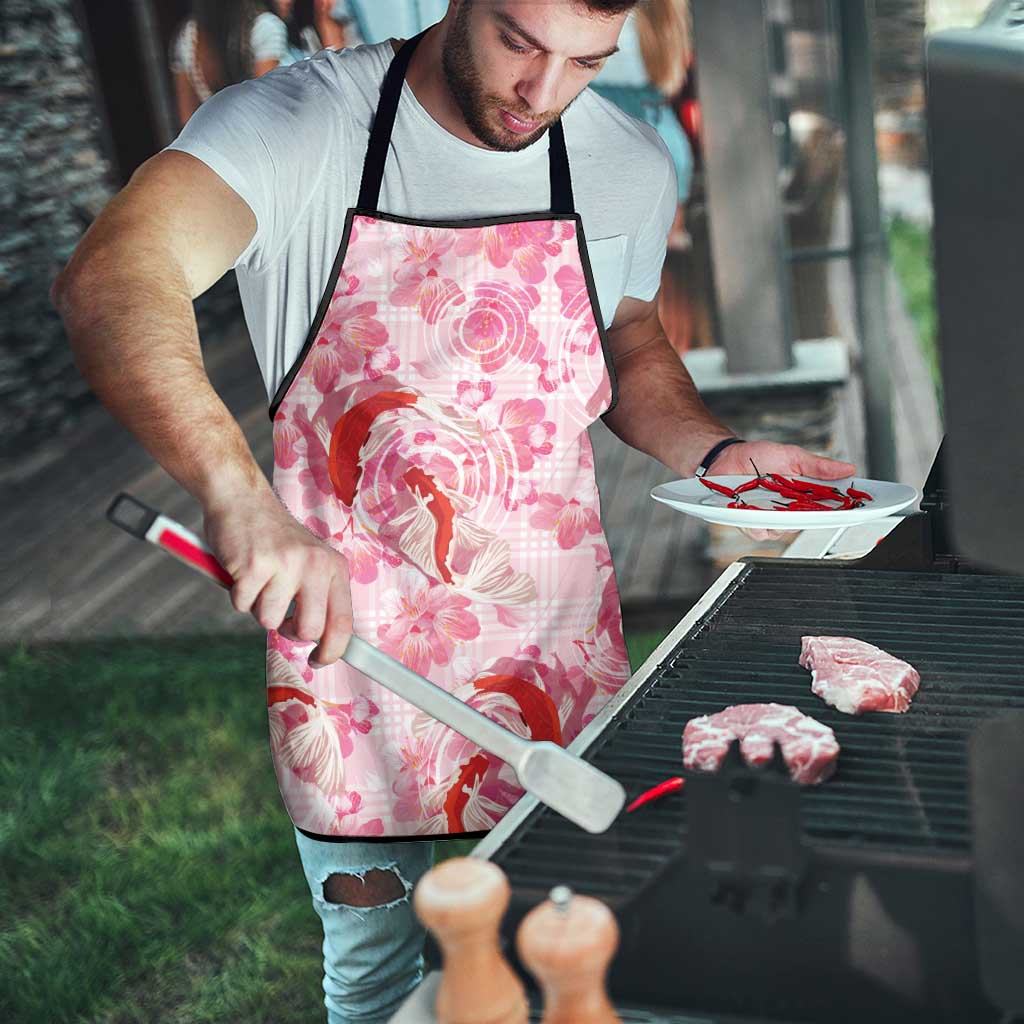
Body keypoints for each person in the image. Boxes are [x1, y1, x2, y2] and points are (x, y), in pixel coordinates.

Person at [53, 2, 856, 1020]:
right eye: (520, 42)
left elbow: (630, 338)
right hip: (351, 658)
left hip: (553, 653)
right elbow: (113, 275)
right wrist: (237, 496)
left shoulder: (623, 160)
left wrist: (718, 449)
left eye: (585, 62)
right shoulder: (298, 125)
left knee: (575, 955)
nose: (543, 93)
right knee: (380, 980)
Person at [169, 0, 289, 127]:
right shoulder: (266, 27)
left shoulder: (188, 37)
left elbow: (187, 120)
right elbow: (266, 107)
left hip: (215, 140)